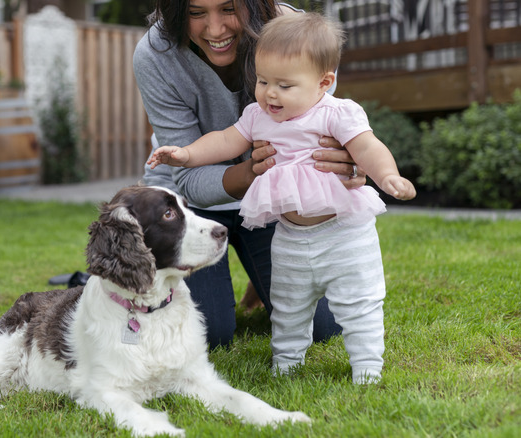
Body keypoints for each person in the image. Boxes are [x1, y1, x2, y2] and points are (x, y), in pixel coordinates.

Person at [148, 12, 416, 383]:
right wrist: (186, 154)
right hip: (289, 235)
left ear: (324, 83)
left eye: (284, 86)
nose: (270, 93)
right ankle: (286, 362)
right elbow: (226, 140)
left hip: (343, 235)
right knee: (289, 306)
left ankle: (367, 367)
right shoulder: (258, 115)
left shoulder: (335, 112)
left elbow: (367, 145)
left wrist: (387, 175)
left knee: (357, 304)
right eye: (262, 81)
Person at [134, 0, 365, 349]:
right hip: (194, 205)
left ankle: (265, 265)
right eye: (196, 13)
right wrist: (251, 172)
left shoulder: (300, 37)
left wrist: (351, 160)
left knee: (325, 327)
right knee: (209, 334)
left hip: (273, 200)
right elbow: (189, 181)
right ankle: (129, 271)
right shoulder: (156, 55)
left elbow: (332, 135)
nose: (214, 30)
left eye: (229, 9)